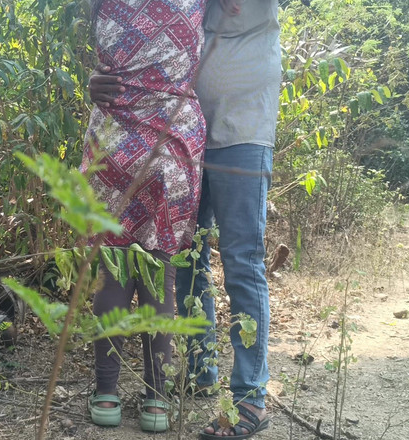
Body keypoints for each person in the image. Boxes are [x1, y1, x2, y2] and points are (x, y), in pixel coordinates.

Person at [89, 0, 281, 437]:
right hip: (179, 131)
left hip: (240, 131)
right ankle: (200, 373)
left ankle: (250, 399)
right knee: (185, 260)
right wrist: (96, 78)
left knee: (242, 261)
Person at [81, 0, 208, 433]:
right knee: (162, 273)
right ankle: (156, 403)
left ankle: (107, 396)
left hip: (114, 137)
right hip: (174, 140)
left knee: (114, 270)